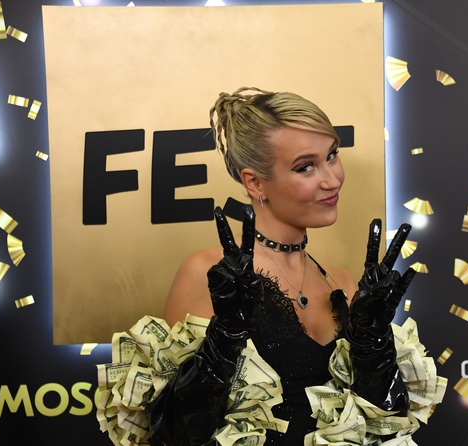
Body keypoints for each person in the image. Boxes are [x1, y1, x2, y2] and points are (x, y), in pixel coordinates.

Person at [97, 87, 444, 446]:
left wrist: (374, 345)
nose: (332, 179)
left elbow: (384, 427)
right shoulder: (208, 272)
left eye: (331, 155)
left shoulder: (342, 282)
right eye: (306, 166)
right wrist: (225, 337)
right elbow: (174, 436)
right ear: (255, 182)